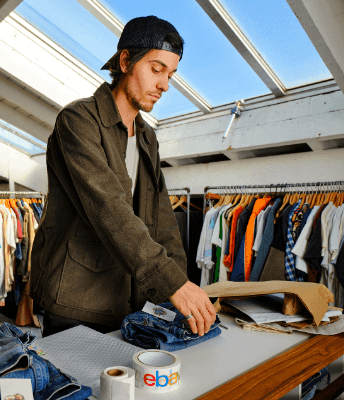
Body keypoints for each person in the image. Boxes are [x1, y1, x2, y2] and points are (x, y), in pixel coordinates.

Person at [30, 16, 216, 338]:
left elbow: (163, 221)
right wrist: (170, 282)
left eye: (170, 75)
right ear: (126, 60)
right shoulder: (77, 121)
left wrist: (179, 291)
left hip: (130, 302)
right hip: (77, 302)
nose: (165, 85)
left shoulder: (147, 137)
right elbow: (109, 208)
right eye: (157, 69)